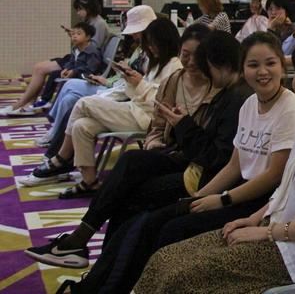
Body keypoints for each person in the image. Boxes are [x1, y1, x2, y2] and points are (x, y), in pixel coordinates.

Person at [32, 33, 295, 291]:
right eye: (253, 65)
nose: (262, 72)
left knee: (154, 225)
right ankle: (94, 281)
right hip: (218, 185)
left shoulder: (281, 108)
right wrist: (200, 197)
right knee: (137, 208)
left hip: (252, 201)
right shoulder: (248, 104)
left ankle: (100, 280)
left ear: (283, 66)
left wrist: (219, 199)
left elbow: (270, 175)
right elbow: (234, 164)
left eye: (270, 63)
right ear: (242, 67)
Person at [134, 44, 295, 294]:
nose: (293, 82)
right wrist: (253, 219)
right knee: (163, 259)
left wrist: (266, 233)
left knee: (181, 276)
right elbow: (285, 191)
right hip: (275, 230)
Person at [30, 18, 183, 196]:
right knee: (81, 126)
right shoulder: (156, 64)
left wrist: (140, 83)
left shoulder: (174, 66)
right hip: (135, 110)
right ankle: (89, 182)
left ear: (165, 42)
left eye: (153, 43)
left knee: (84, 102)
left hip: (147, 119)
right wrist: (131, 81)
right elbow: (138, 94)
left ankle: (62, 156)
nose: (151, 48)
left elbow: (161, 103)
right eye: (149, 44)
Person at [23, 5, 156, 179]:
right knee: (72, 103)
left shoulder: (160, 58)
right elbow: (133, 82)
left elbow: (151, 93)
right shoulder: (141, 50)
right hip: (122, 93)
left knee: (76, 96)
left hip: (133, 105)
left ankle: (59, 155)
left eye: (136, 31)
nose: (133, 35)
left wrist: (120, 81)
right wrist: (112, 79)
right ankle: (81, 174)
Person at [2, 22, 103, 117]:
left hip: (85, 76)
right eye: (73, 34)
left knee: (53, 73)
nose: (74, 36)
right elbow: (72, 61)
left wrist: (74, 71)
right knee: (54, 74)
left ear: (88, 37)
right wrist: (67, 69)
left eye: (78, 34)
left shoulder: (92, 51)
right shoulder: (76, 48)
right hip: (75, 71)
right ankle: (44, 100)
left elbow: (90, 69)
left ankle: (43, 101)